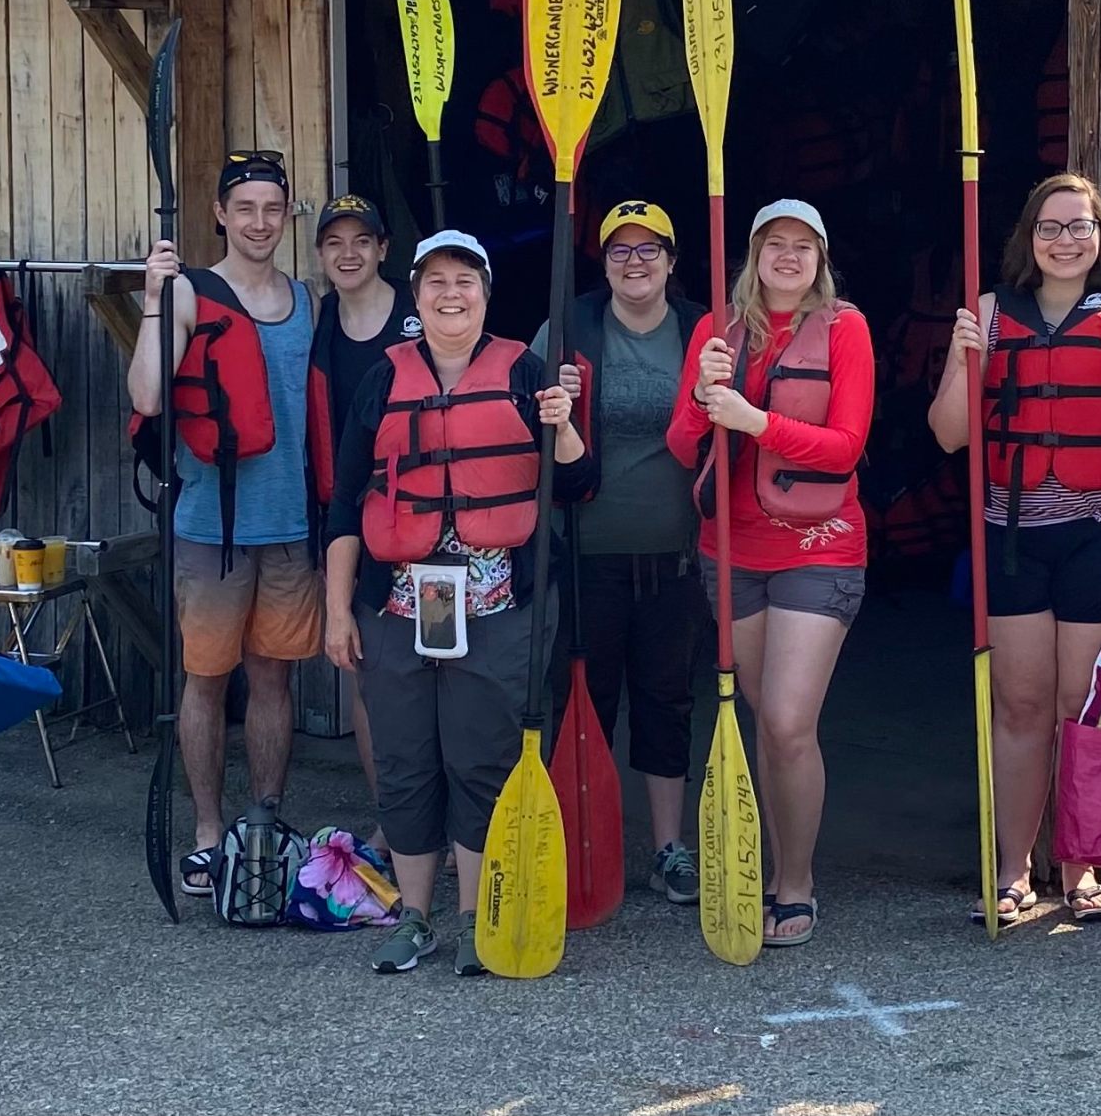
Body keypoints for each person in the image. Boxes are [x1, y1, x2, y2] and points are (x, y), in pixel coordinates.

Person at [321, 230, 594, 975]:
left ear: (486, 293)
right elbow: (345, 503)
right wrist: (337, 610)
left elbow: (577, 486)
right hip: (398, 609)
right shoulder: (381, 381)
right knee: (408, 762)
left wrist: (562, 424)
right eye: (436, 281)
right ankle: (415, 917)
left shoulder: (525, 372)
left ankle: (479, 915)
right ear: (416, 295)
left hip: (500, 607)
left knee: (481, 761)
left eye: (465, 282)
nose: (451, 294)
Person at [931, 173, 1101, 927]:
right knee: (1021, 706)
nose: (1065, 240)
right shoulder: (985, 316)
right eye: (1050, 227)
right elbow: (948, 434)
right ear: (1028, 239)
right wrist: (963, 360)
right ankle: (1013, 872)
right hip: (1013, 541)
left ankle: (1081, 862)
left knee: (1082, 708)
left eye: (1080, 226)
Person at [666, 199, 874, 947]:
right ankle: (763, 865)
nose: (788, 257)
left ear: (820, 258)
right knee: (764, 720)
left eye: (803, 246)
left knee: (788, 722)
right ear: (751, 255)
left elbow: (845, 447)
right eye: (774, 245)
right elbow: (680, 441)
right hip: (732, 552)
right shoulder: (715, 332)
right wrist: (700, 396)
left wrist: (754, 421)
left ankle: (798, 883)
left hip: (819, 546)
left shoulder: (846, 329)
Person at [130, 149, 319, 894]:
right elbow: (148, 395)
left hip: (291, 524)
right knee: (206, 679)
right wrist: (152, 296)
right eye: (245, 208)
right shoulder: (187, 294)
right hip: (211, 525)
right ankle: (209, 831)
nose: (260, 222)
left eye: (273, 208)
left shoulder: (308, 298)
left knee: (274, 677)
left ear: (287, 214)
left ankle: (263, 820)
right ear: (220, 214)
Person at [533, 199, 708, 904]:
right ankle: (584, 840)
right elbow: (522, 410)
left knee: (667, 706)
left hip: (677, 558)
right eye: (619, 252)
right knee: (585, 704)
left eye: (648, 250)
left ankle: (669, 849)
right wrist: (555, 398)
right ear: (603, 264)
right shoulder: (570, 325)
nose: (634, 263)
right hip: (587, 556)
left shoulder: (703, 331)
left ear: (671, 260)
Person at [307, 192, 420, 829]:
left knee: (438, 674)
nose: (348, 254)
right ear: (322, 254)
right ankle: (393, 818)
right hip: (350, 519)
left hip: (430, 521)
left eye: (361, 241)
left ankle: (452, 818)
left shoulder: (423, 309)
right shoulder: (315, 320)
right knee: (367, 675)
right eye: (334, 243)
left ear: (383, 249)